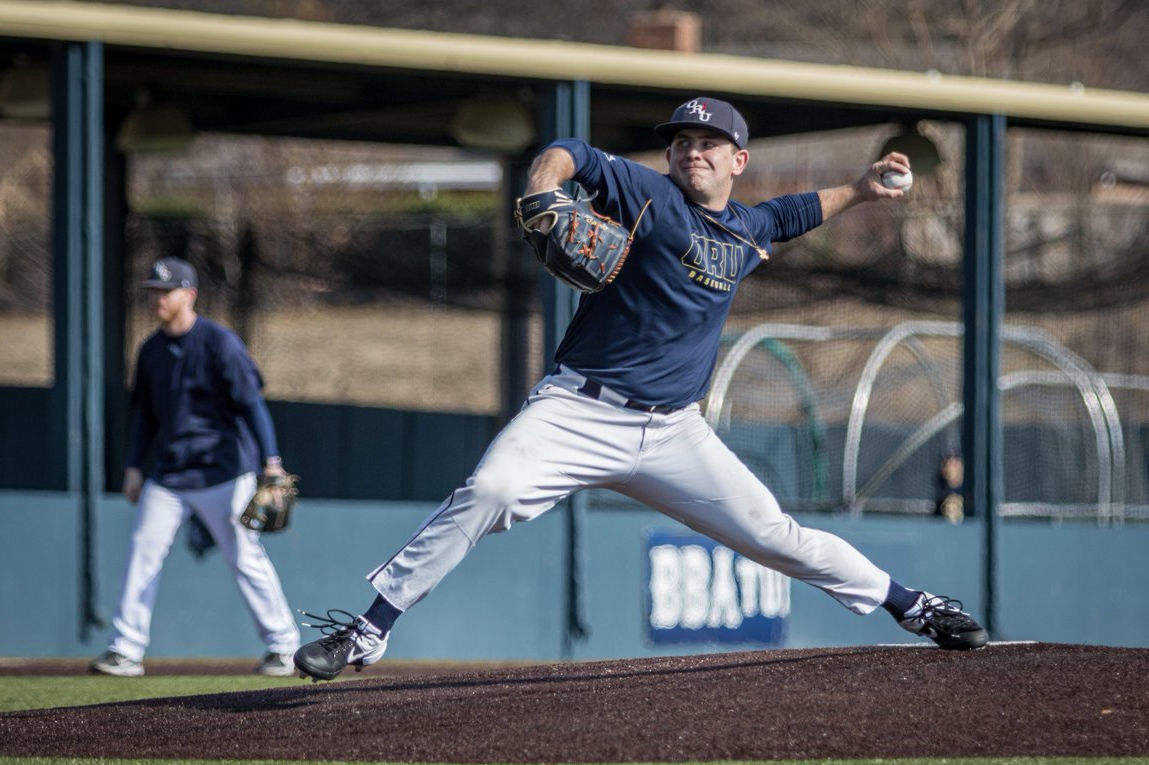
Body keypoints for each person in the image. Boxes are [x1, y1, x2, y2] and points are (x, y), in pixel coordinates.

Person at [293, 97, 988, 681]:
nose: (694, 152)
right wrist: (543, 186)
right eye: (684, 141)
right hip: (578, 410)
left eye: (711, 143)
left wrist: (865, 189)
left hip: (674, 433)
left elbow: (799, 210)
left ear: (738, 160)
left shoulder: (749, 228)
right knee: (492, 492)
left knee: (776, 535)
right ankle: (368, 629)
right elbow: (572, 151)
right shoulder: (647, 193)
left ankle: (911, 605)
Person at [90, 257, 301, 677]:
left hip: (223, 471)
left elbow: (252, 405)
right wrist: (134, 467)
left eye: (165, 292)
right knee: (143, 552)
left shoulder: (220, 343)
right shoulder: (151, 351)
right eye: (153, 291)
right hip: (169, 474)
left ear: (190, 295)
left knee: (244, 555)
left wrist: (271, 463)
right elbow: (146, 418)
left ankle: (283, 646)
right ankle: (126, 648)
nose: (157, 299)